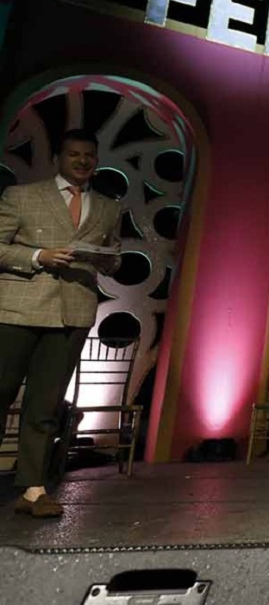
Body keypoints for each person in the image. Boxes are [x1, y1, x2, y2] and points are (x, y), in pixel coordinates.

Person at [0, 129, 122, 517]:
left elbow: (114, 255)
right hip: (20, 307)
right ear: (58, 157)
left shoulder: (107, 207)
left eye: (88, 155)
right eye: (74, 154)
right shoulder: (22, 196)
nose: (82, 161)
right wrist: (38, 256)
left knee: (46, 403)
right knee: (1, 391)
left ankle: (33, 488)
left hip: (72, 311)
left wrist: (106, 260)